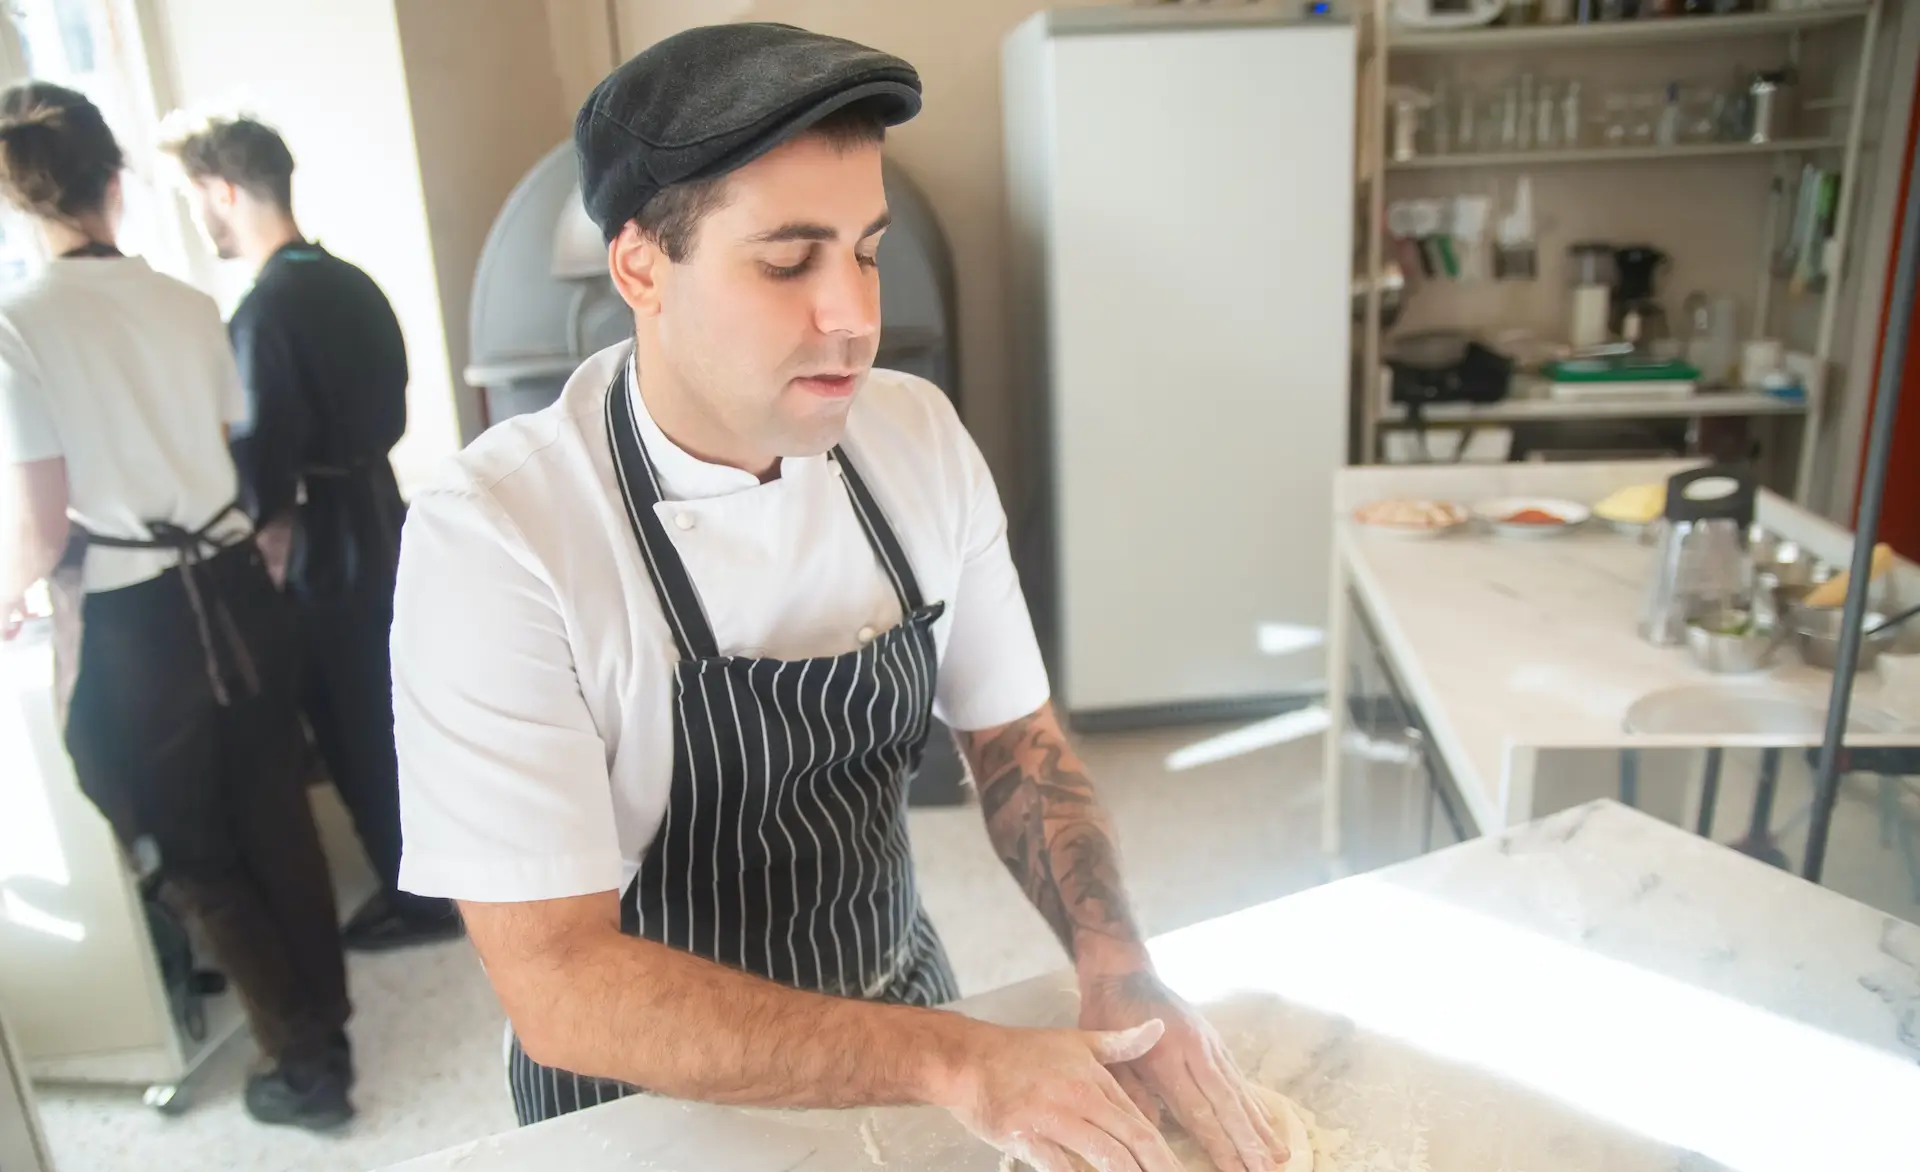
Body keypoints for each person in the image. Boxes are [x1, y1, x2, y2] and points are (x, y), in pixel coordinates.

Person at [390, 24, 1288, 1172]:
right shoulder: (496, 537)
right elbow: (560, 981)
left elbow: (1016, 743)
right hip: (640, 1103)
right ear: (640, 267)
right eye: (787, 260)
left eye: (865, 250)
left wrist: (1115, 958)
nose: (853, 314)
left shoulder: (917, 438)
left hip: (900, 1005)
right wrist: (960, 1060)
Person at [0, 83, 354, 1129]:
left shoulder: (17, 324)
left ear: (21, 202)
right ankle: (320, 1022)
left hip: (134, 625)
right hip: (237, 591)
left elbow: (44, 525)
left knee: (184, 845)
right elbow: (228, 441)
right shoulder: (192, 302)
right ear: (116, 181)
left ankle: (304, 1060)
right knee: (276, 813)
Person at [158, 115, 459, 952]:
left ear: (223, 190)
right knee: (399, 710)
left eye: (196, 200)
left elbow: (260, 463)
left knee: (354, 723)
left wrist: (248, 530)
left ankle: (424, 898)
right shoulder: (350, 282)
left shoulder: (263, 313)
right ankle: (438, 873)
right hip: (385, 513)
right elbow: (393, 410)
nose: (199, 220)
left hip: (324, 545)